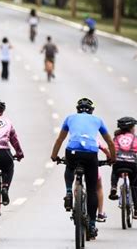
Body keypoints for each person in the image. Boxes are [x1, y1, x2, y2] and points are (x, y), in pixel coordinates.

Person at [50, 98, 116, 240]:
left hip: (72, 150)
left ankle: (68, 191)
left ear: (77, 109)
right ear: (92, 110)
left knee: (69, 166)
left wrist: (54, 156)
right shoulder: (97, 120)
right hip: (91, 153)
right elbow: (110, 141)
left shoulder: (70, 118)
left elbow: (59, 140)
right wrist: (113, 158)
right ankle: (92, 225)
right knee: (92, 190)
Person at [108, 117, 137, 220]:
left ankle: (113, 187)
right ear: (131, 128)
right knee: (134, 184)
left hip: (118, 162)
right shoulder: (136, 138)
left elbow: (111, 149)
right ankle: (136, 210)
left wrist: (110, 159)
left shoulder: (116, 138)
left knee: (114, 172)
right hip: (132, 164)